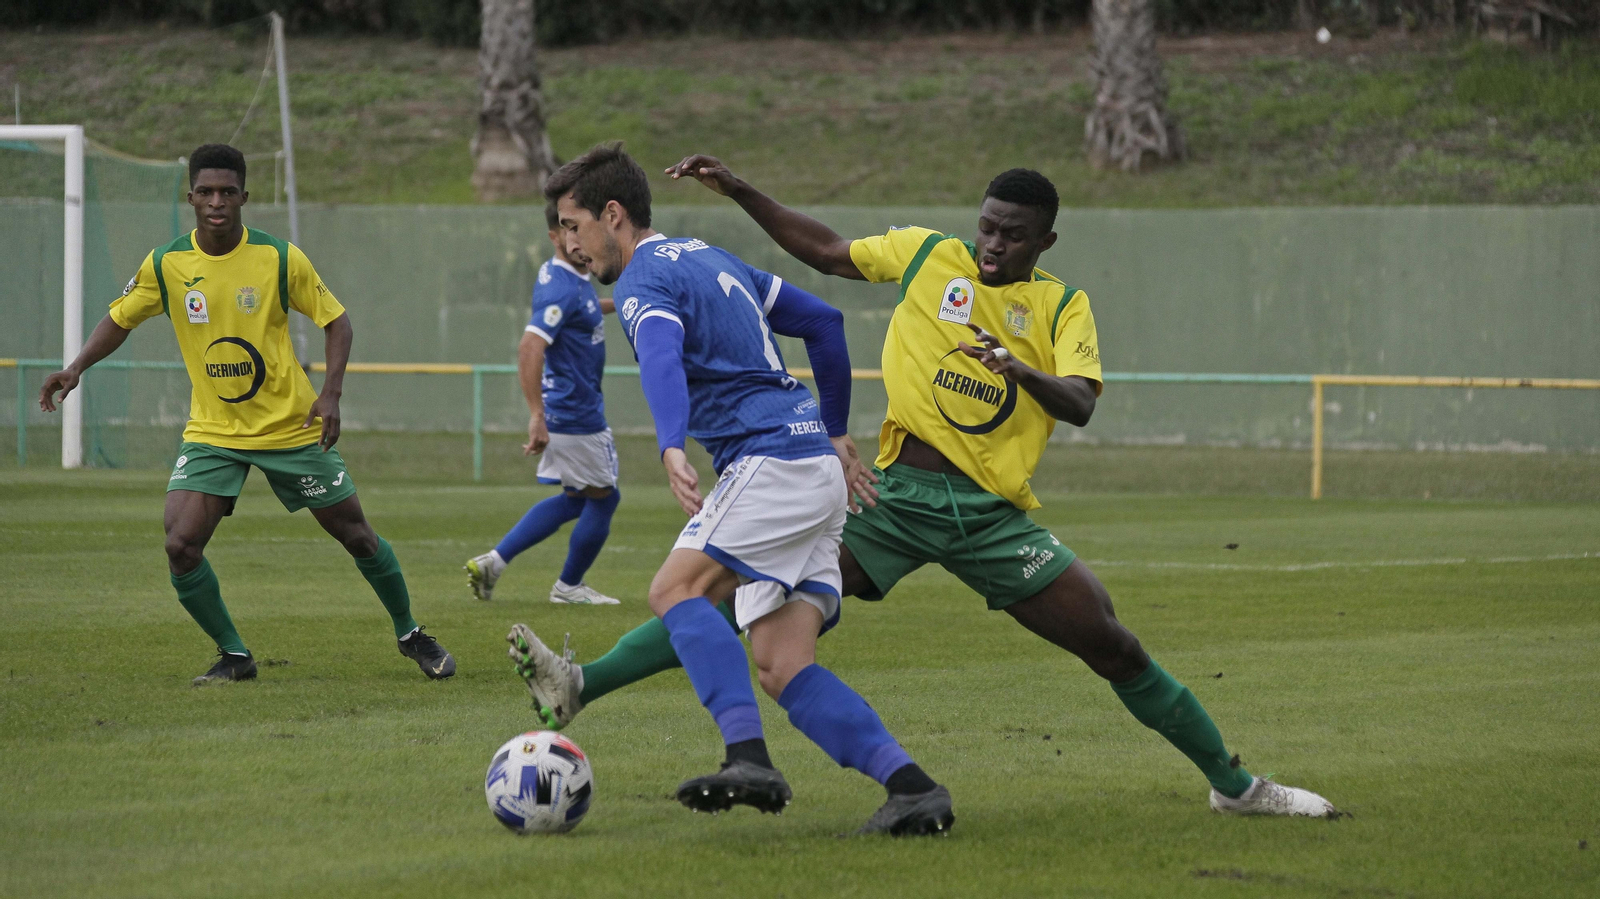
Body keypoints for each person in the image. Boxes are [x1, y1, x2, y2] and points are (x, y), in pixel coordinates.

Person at [509, 153, 1340, 820]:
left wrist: (1019, 367)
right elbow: (828, 257)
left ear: (1044, 241)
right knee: (730, 603)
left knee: (1111, 643)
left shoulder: (1063, 307)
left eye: (1011, 235)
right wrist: (744, 191)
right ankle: (589, 686)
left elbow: (1081, 402)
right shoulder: (931, 256)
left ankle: (1235, 782)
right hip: (892, 498)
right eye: (986, 227)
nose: (990, 244)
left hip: (993, 518)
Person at [515, 142, 953, 836]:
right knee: (782, 663)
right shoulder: (710, 257)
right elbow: (823, 322)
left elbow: (658, 354)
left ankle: (747, 756)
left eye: (572, 226)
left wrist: (669, 444)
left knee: (675, 590)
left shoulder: (638, 282)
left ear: (613, 214)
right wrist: (835, 430)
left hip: (770, 460)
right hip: (809, 461)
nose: (569, 244)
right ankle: (913, 788)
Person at [38, 143, 455, 686]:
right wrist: (76, 369)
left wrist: (330, 394)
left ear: (244, 197)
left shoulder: (280, 258)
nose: (217, 202)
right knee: (180, 544)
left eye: (227, 192)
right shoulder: (166, 264)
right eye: (206, 192)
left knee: (356, 535)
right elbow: (121, 319)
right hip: (214, 433)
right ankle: (235, 656)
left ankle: (411, 634)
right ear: (190, 198)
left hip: (290, 428)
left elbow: (338, 322)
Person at [465, 202, 622, 606]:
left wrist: (622, 302)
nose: (579, 240)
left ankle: (494, 563)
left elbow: (582, 309)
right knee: (605, 499)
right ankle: (568, 587)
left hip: (568, 408)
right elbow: (530, 345)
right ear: (555, 236)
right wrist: (536, 415)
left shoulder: (570, 278)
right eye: (569, 232)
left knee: (575, 499)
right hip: (576, 413)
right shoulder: (562, 286)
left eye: (582, 230)